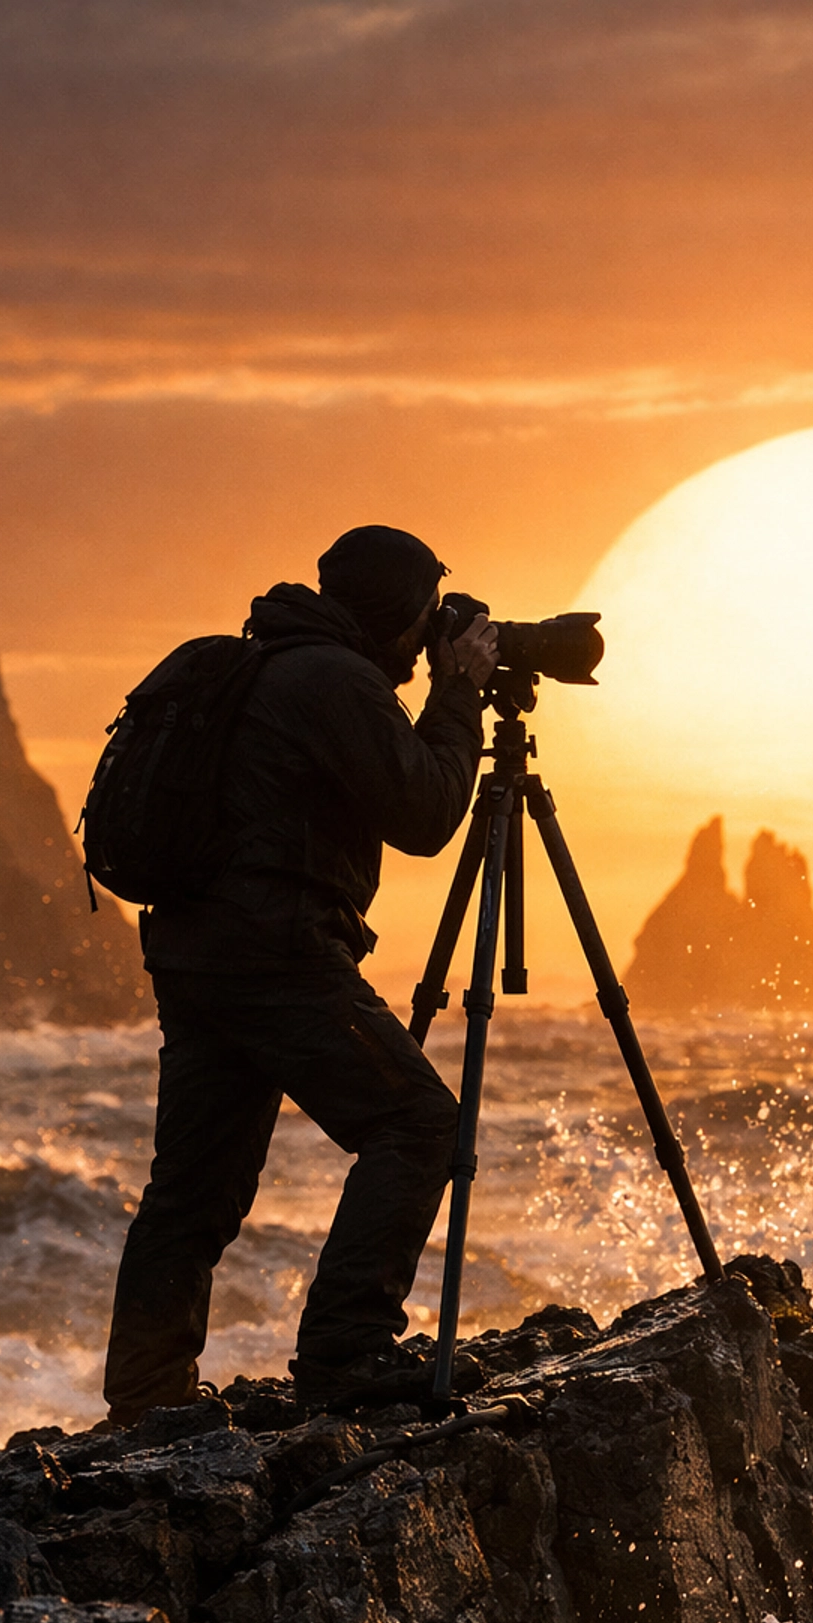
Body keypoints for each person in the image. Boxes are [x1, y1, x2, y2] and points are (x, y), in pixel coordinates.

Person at [101, 523, 499, 1426]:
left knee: (194, 1186)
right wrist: (458, 693)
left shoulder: (267, 662)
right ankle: (347, 1351)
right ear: (398, 614)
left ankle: (144, 1398)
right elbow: (429, 814)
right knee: (419, 1123)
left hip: (195, 951)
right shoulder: (335, 680)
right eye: (426, 618)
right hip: (276, 952)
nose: (429, 636)